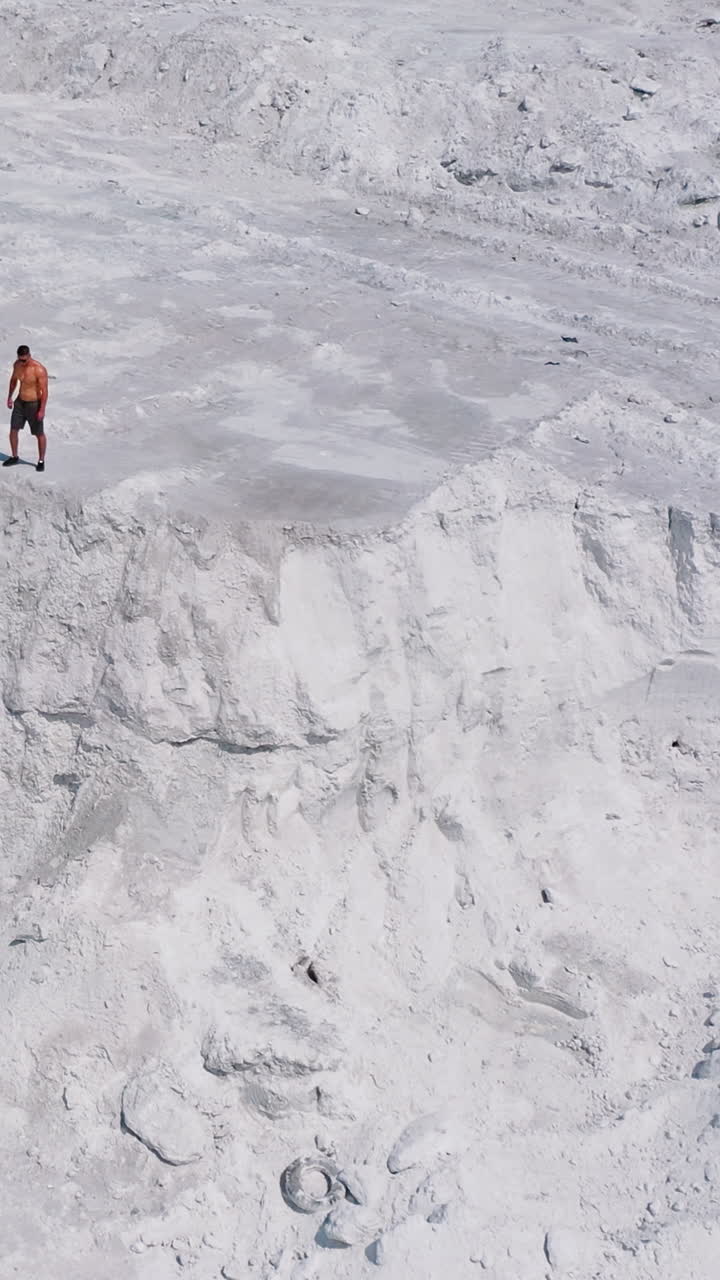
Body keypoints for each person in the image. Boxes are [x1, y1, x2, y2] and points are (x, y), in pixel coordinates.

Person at [3, 344, 48, 472]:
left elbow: (45, 391)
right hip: (20, 402)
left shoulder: (38, 369)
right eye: (20, 359)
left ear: (29, 355)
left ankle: (41, 460)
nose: (22, 362)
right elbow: (13, 381)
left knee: (39, 433)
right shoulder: (17, 365)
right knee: (13, 429)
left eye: (24, 359)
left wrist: (42, 409)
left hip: (34, 404)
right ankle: (14, 456)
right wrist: (9, 397)